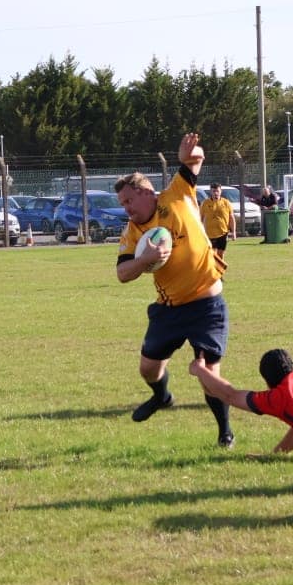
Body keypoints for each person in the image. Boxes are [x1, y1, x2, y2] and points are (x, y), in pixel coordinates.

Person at [115, 132, 234, 448]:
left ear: (146, 192)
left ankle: (225, 432)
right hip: (169, 308)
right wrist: (145, 260)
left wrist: (187, 155)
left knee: (208, 371)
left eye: (129, 201)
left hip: (206, 304)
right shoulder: (133, 231)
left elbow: (197, 158)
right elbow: (122, 273)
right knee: (148, 369)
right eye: (122, 204)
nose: (126, 209)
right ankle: (162, 396)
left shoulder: (177, 193)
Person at [199, 183, 236, 254]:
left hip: (223, 233)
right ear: (211, 192)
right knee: (212, 254)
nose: (216, 193)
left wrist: (233, 232)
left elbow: (231, 218)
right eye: (213, 191)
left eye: (217, 191)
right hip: (210, 234)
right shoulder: (205, 203)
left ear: (220, 191)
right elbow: (200, 219)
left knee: (221, 254)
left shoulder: (226, 203)